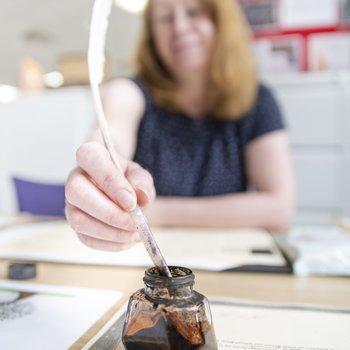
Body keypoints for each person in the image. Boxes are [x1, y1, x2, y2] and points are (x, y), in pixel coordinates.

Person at [65, 0, 295, 252]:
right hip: (137, 265)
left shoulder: (258, 100)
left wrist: (156, 211)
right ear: (152, 35)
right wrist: (100, 167)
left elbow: (279, 208)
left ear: (221, 22)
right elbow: (112, 137)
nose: (180, 28)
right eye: (165, 18)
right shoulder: (129, 91)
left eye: (194, 13)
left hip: (226, 258)